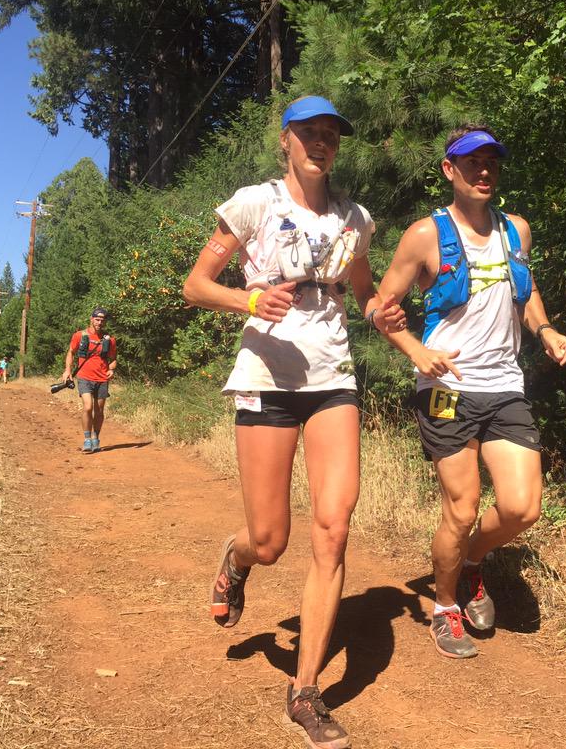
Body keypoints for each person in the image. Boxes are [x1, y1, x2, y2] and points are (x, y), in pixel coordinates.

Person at [182, 95, 405, 749]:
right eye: (309, 132)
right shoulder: (254, 204)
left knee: (334, 529)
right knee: (271, 539)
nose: (321, 142)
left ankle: (304, 691)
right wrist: (249, 297)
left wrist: (386, 315)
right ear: (286, 140)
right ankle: (238, 558)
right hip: (266, 380)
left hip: (333, 378)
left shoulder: (354, 220)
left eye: (331, 134)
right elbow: (196, 285)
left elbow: (364, 292)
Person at [375, 124, 566, 659]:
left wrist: (546, 330)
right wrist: (416, 351)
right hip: (447, 390)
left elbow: (524, 296)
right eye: (471, 163)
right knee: (461, 510)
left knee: (521, 508)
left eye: (491, 163)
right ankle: (444, 606)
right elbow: (378, 306)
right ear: (450, 170)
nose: (484, 172)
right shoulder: (424, 235)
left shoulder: (517, 232)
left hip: (506, 386)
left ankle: (468, 563)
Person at [61, 308, 117, 453]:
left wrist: (111, 369)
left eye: (102, 320)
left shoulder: (109, 340)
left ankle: (95, 438)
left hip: (102, 378)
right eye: (97, 319)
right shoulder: (80, 335)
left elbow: (113, 359)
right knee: (87, 407)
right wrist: (68, 370)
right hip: (85, 377)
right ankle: (87, 439)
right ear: (91, 319)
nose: (100, 322)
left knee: (99, 411)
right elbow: (71, 353)